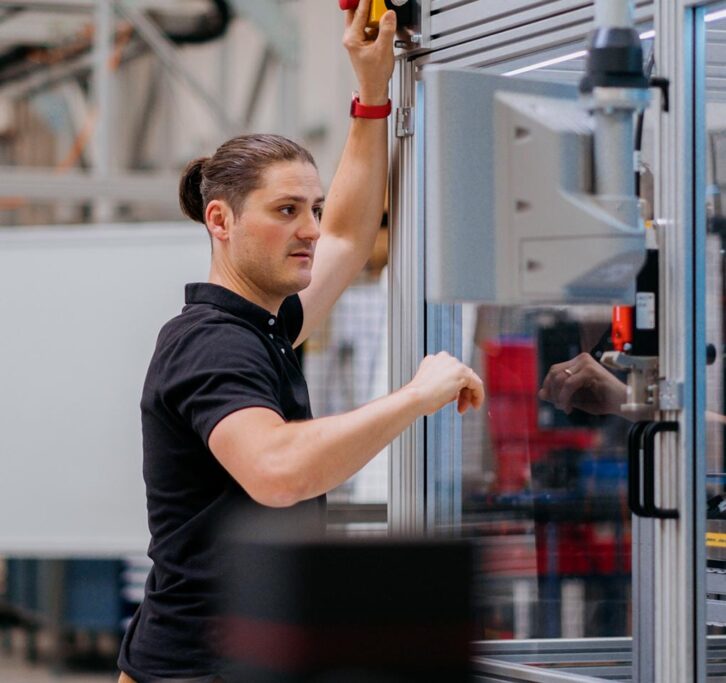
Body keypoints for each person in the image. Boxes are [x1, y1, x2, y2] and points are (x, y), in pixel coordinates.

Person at [117, 2, 484, 681]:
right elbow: (279, 470)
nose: (310, 227)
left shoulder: (266, 324)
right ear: (220, 221)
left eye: (310, 207)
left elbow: (347, 233)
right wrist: (415, 394)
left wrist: (372, 93)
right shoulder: (210, 344)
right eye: (287, 210)